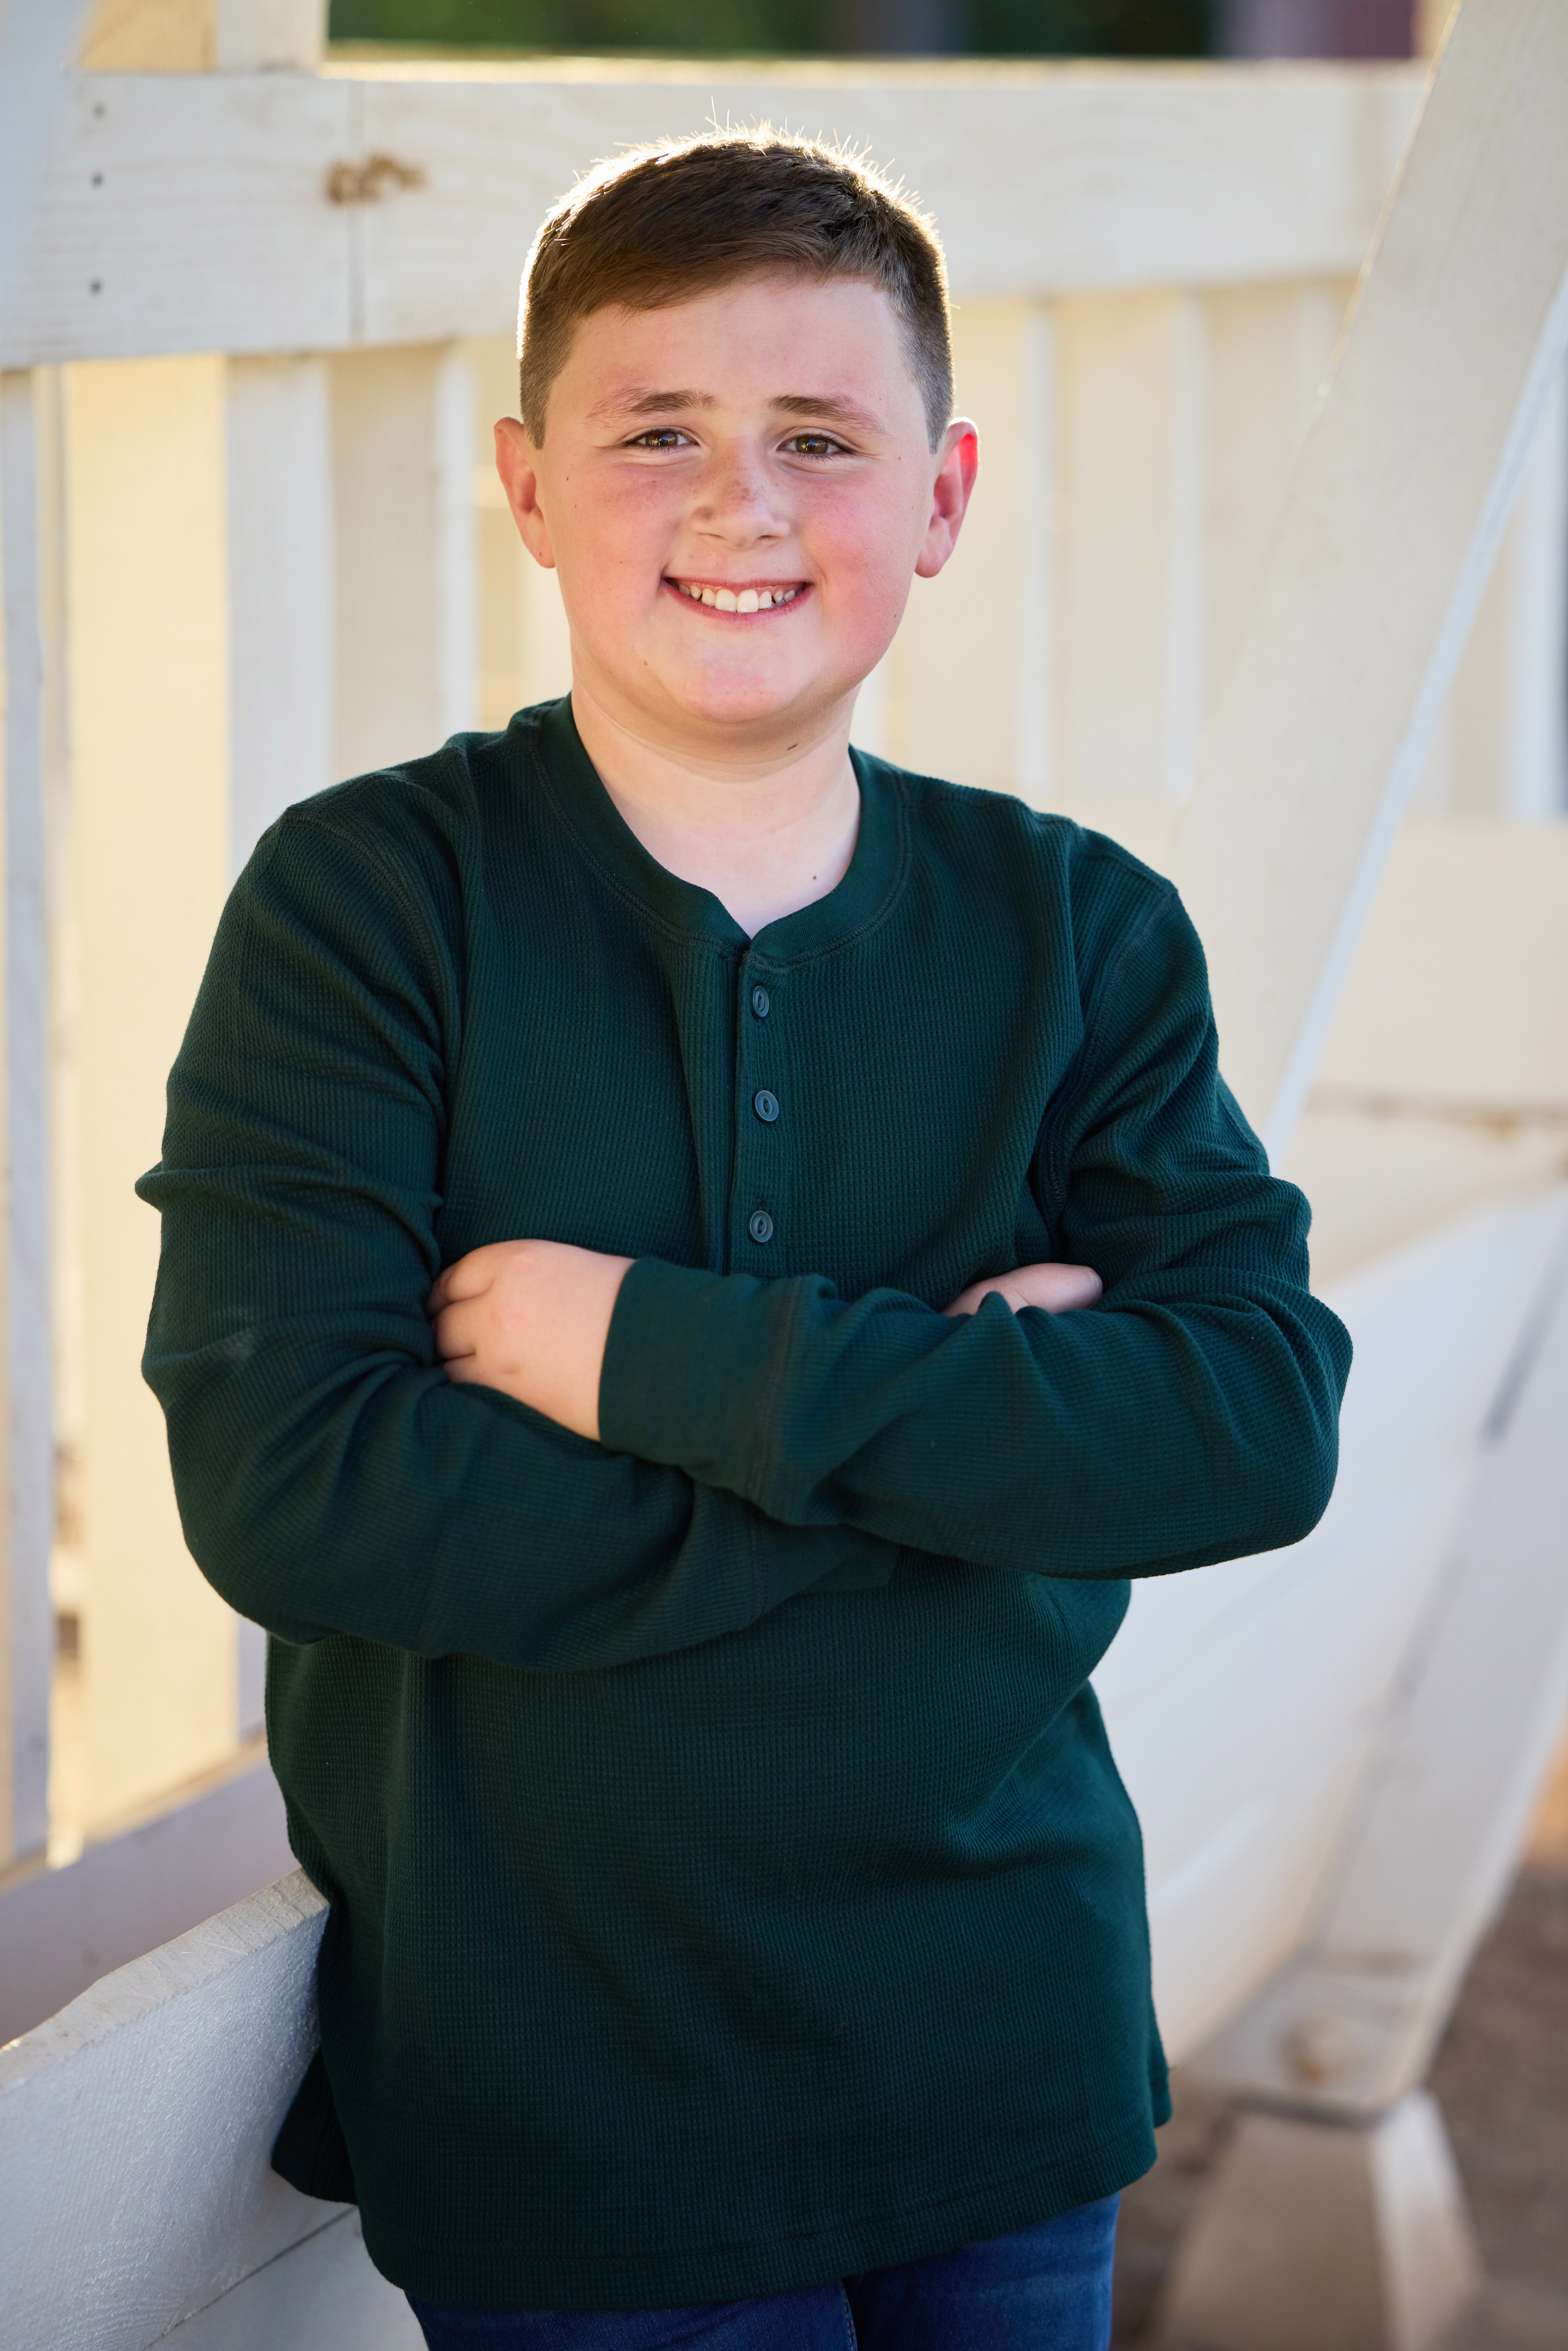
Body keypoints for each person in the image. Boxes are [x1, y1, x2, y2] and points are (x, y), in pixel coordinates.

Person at [138, 130, 1351, 2350]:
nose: (738, 504)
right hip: (570, 2096)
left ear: (942, 496)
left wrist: (643, 1357)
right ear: (527, 484)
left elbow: (1251, 1426)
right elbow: (298, 1487)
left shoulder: (1075, 926)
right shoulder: (372, 905)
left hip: (1009, 2049)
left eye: (818, 436)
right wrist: (967, 1453)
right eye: (656, 434)